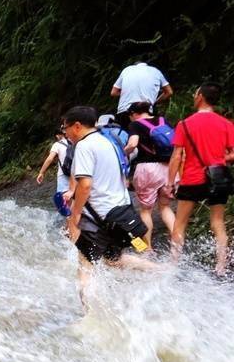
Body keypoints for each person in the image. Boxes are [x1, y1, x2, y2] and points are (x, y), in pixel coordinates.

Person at [65, 106, 156, 296]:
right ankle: (160, 270)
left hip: (100, 216)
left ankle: (88, 315)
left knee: (85, 264)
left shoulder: (83, 145)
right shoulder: (108, 141)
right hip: (121, 212)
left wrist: (75, 215)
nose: (65, 133)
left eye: (65, 127)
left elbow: (85, 185)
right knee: (113, 259)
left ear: (77, 126)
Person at [168, 82, 234, 276]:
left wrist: (170, 183)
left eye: (195, 93)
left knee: (180, 223)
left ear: (200, 97)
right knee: (218, 222)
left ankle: (173, 265)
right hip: (218, 178)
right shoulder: (226, 124)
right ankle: (220, 267)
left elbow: (176, 156)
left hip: (192, 179)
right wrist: (220, 159)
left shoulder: (185, 124)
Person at [124, 101, 175, 248]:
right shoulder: (162, 120)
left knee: (146, 210)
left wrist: (123, 152)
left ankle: (148, 249)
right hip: (168, 168)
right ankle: (176, 242)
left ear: (133, 114)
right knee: (165, 206)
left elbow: (133, 144)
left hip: (148, 169)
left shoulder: (135, 124)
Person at [35, 129, 74, 219]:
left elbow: (50, 159)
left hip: (63, 176)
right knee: (74, 202)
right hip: (75, 175)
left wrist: (41, 172)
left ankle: (69, 228)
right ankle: (73, 226)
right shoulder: (73, 142)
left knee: (65, 204)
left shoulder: (57, 144)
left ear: (57, 136)